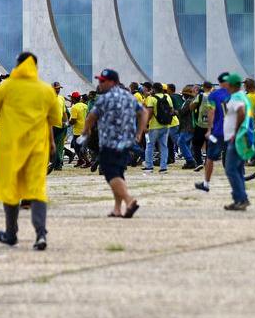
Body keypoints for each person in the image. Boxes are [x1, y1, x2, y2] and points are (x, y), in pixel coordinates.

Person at [0, 52, 62, 251]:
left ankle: (11, 234)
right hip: (37, 147)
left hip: (11, 148)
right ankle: (41, 234)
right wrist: (52, 143)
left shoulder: (7, 86)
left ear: (18, 66)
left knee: (10, 190)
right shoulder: (46, 90)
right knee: (36, 189)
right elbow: (53, 119)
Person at [78, 69, 145, 218]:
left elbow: (91, 117)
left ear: (112, 82)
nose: (99, 83)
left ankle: (129, 200)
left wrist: (85, 132)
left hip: (110, 143)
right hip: (127, 142)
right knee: (119, 174)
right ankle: (117, 209)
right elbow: (143, 113)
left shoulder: (104, 98)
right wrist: (140, 132)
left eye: (102, 81)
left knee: (110, 174)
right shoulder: (129, 97)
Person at [218, 73, 254, 211]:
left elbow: (241, 112)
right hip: (239, 137)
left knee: (231, 169)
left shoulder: (236, 97)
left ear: (231, 85)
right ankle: (240, 199)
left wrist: (236, 131)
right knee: (238, 170)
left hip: (237, 138)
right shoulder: (241, 96)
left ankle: (241, 199)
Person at [196, 74, 231, 193]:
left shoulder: (214, 95)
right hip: (232, 130)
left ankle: (206, 183)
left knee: (210, 157)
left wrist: (209, 129)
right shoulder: (235, 94)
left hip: (218, 131)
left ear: (219, 82)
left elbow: (211, 112)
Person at [142, 83, 177, 173]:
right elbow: (171, 110)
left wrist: (145, 124)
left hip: (154, 126)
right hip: (165, 125)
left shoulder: (151, 98)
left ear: (153, 89)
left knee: (150, 146)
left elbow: (149, 112)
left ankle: (149, 166)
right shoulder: (167, 97)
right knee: (164, 146)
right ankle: (163, 167)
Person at [174, 86, 198, 170]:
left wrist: (175, 111)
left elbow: (183, 112)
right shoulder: (191, 101)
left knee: (181, 142)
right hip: (190, 126)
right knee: (186, 144)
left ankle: (190, 160)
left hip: (187, 126)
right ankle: (190, 161)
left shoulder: (188, 101)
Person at [68, 92, 90, 167]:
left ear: (73, 99)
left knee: (78, 148)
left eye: (71, 98)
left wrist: (68, 123)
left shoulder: (74, 108)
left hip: (78, 131)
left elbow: (73, 120)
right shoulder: (85, 105)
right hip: (86, 129)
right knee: (75, 145)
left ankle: (87, 162)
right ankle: (80, 160)